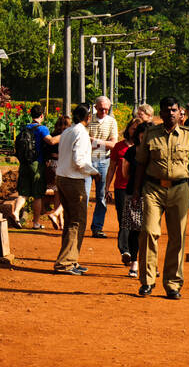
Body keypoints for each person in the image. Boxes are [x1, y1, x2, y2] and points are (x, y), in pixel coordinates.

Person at [130, 96, 189, 299]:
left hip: (180, 189)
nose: (171, 113)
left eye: (174, 110)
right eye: (167, 110)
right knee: (148, 232)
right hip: (153, 189)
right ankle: (147, 281)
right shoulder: (150, 134)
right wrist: (136, 192)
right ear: (161, 113)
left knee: (177, 237)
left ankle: (173, 284)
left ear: (180, 112)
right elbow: (140, 164)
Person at [53, 103, 98, 275]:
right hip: (73, 180)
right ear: (88, 118)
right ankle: (65, 263)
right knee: (77, 222)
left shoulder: (68, 131)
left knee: (71, 221)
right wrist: (94, 172)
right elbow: (79, 161)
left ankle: (71, 260)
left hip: (63, 177)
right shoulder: (81, 133)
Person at [106, 119, 151, 277]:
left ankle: (148, 262)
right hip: (131, 193)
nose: (143, 138)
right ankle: (133, 259)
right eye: (141, 134)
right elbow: (123, 172)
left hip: (152, 194)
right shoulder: (130, 151)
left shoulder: (155, 151)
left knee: (150, 229)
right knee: (132, 227)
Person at [12, 104, 58, 228]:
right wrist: (65, 134)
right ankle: (36, 223)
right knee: (37, 195)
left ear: (31, 115)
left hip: (24, 163)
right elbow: (51, 141)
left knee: (23, 193)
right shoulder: (42, 129)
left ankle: (16, 212)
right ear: (42, 115)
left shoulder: (25, 128)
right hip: (36, 164)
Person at [85, 97, 120, 238]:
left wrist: (95, 141)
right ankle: (80, 225)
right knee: (84, 195)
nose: (104, 111)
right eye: (101, 109)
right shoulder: (88, 120)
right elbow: (83, 140)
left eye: (106, 109)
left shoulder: (111, 122)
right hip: (88, 160)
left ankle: (97, 227)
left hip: (104, 161)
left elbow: (114, 144)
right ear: (95, 107)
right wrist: (103, 143)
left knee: (101, 196)